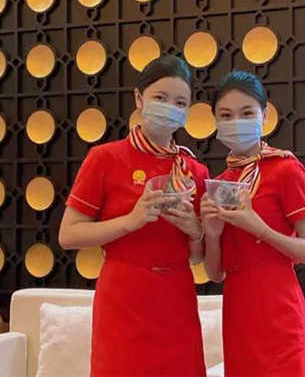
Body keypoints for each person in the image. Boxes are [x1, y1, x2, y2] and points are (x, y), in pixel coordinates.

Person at [59, 55, 208, 376]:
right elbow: (68, 235)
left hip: (177, 296)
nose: (170, 108)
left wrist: (195, 230)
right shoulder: (105, 158)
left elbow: (197, 258)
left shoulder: (194, 171)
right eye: (160, 98)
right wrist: (131, 221)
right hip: (124, 294)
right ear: (139, 98)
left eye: (180, 103)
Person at [201, 71, 305, 376]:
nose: (236, 122)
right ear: (215, 121)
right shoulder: (220, 183)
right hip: (238, 313)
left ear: (265, 114)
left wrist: (260, 229)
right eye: (226, 115)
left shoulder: (285, 170)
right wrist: (212, 235)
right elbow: (215, 273)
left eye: (247, 113)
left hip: (280, 310)